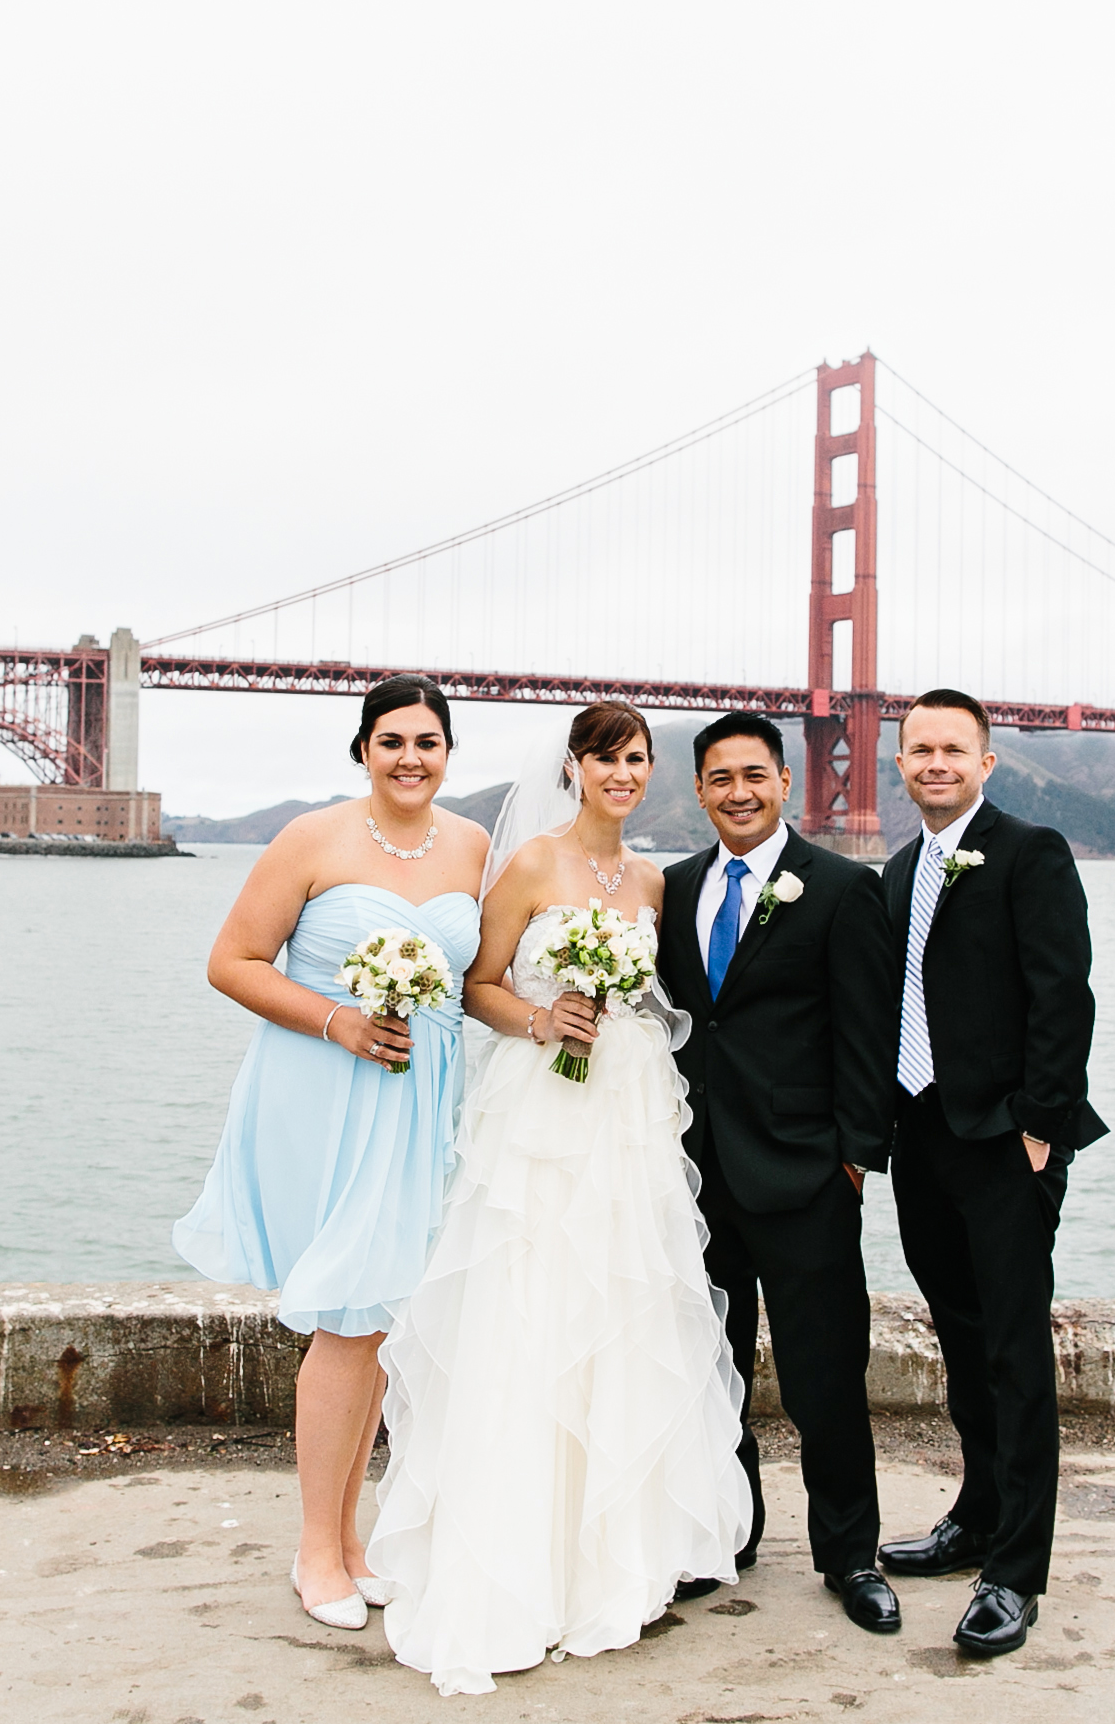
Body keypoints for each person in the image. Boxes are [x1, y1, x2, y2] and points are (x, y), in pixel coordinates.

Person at [369, 702, 749, 1695]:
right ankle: (517, 1560)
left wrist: (607, 1013)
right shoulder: (530, 864)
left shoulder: (658, 881)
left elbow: (660, 1002)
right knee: (532, 1304)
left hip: (627, 1109)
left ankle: (615, 1553)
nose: (621, 773)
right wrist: (543, 1018)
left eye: (636, 759)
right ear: (574, 766)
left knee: (625, 1305)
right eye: (605, 757)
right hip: (541, 1108)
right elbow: (477, 985)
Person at [174, 674, 489, 1632]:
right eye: (391, 740)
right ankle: (316, 1552)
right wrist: (339, 1021)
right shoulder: (312, 838)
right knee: (349, 1319)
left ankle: (351, 1543)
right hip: (326, 1090)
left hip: (425, 1100)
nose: (410, 758)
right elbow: (231, 962)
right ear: (362, 749)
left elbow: (477, 980)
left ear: (447, 754)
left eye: (427, 742)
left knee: (383, 1320)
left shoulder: (473, 847)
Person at [656, 711, 902, 1637]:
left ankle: (850, 1554)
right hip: (694, 1170)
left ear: (785, 781)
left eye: (754, 775)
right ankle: (730, 1528)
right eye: (719, 778)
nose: (738, 793)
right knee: (709, 1365)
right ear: (700, 789)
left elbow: (866, 1030)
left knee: (823, 1375)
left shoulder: (842, 887)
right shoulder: (674, 887)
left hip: (805, 1173)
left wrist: (854, 1158)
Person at [874, 687, 1103, 1660]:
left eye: (951, 748)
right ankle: (973, 1513)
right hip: (918, 1141)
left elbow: (1064, 990)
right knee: (961, 1342)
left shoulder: (1029, 851)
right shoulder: (892, 870)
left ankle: (1015, 1570)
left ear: (985, 761)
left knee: (1014, 1352)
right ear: (900, 762)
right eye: (918, 748)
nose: (934, 762)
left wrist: (1039, 1128)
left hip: (1006, 1141)